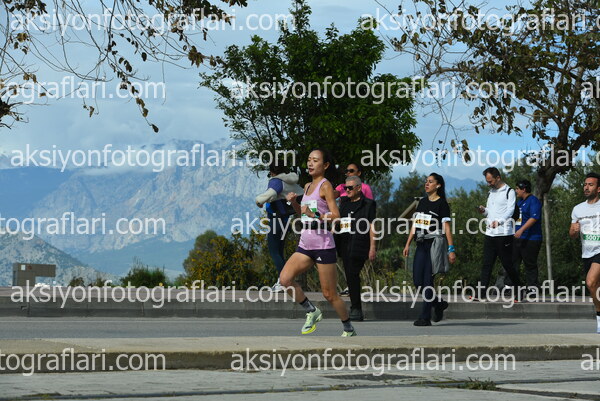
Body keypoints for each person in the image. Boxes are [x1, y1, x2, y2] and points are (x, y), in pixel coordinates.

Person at [279, 149, 356, 337]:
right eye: (309, 160)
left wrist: (316, 215)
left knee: (329, 294)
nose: (310, 163)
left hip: (323, 246)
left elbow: (336, 216)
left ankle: (348, 328)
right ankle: (311, 311)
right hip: (305, 245)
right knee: (285, 280)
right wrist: (294, 203)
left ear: (325, 165)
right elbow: (303, 214)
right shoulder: (306, 186)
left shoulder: (325, 186)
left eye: (315, 160)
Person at [403, 173, 456, 326]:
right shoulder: (422, 202)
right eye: (426, 181)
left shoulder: (442, 204)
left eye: (430, 182)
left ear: (438, 185)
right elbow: (415, 224)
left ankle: (425, 317)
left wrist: (451, 249)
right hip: (421, 244)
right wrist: (407, 243)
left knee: (427, 281)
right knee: (417, 281)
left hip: (434, 244)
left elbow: (447, 227)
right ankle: (438, 303)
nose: (427, 184)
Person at [255, 161, 303, 292]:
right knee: (280, 251)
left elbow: (270, 193)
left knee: (274, 251)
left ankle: (284, 281)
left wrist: (259, 201)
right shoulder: (290, 181)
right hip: (285, 220)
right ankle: (284, 280)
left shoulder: (276, 181)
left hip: (276, 220)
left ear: (271, 172)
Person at [476, 167, 523, 301]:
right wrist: (483, 210)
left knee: (507, 264)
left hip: (504, 234)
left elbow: (510, 211)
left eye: (490, 181)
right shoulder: (491, 192)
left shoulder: (509, 192)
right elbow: (489, 211)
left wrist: (499, 222)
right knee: (487, 264)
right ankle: (482, 293)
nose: (488, 184)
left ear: (498, 178)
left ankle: (519, 289)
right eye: (487, 181)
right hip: (490, 233)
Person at [335, 175, 377, 321]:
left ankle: (356, 308)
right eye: (345, 188)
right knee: (350, 275)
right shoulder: (344, 203)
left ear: (359, 188)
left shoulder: (368, 204)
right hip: (344, 243)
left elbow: (372, 226)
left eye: (350, 188)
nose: (347, 190)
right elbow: (338, 222)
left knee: (353, 273)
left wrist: (372, 247)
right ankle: (355, 307)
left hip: (360, 243)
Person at [569, 172, 600, 334]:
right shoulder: (578, 209)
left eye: (591, 185)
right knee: (595, 287)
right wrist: (574, 230)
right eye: (585, 184)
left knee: (590, 281)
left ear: (598, 188)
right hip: (587, 253)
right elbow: (572, 235)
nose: (586, 187)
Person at [511, 179, 543, 293]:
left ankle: (533, 288)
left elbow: (534, 217)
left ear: (524, 189)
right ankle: (512, 287)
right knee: (513, 262)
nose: (516, 191)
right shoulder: (519, 202)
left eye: (517, 189)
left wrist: (522, 230)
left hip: (531, 238)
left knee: (530, 264)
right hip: (518, 238)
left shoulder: (533, 201)